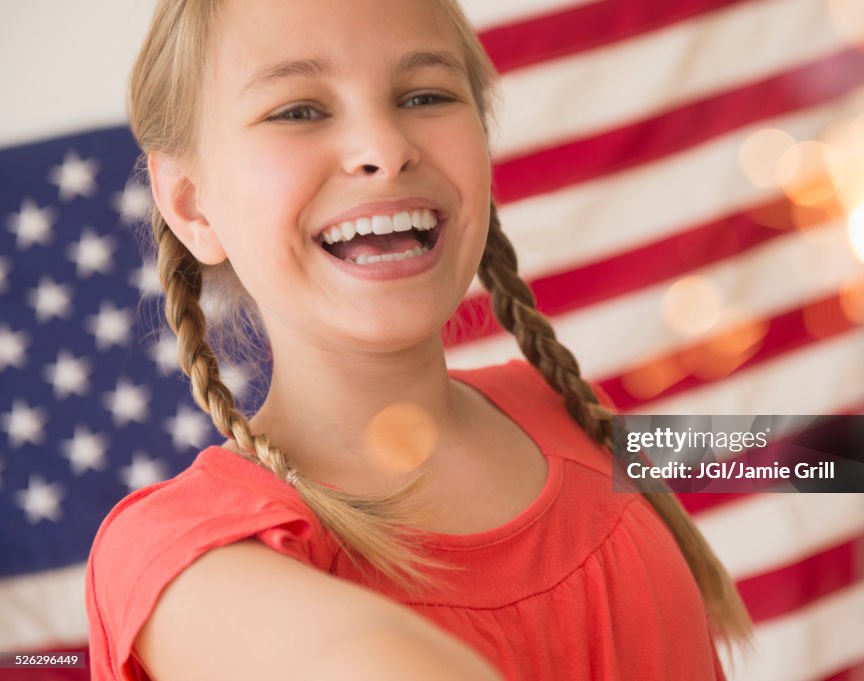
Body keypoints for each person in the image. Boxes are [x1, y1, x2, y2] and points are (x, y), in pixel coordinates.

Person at [85, 0, 753, 679]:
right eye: (298, 110)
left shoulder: (562, 407)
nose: (384, 149)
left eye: (425, 95)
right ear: (192, 202)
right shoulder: (174, 558)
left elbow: (798, 451)